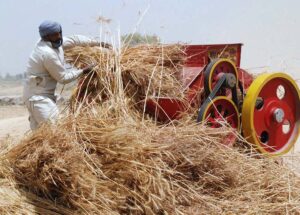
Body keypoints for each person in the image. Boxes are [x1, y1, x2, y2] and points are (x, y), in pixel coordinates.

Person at [23, 20, 105, 130]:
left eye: (59, 33)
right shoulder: (47, 53)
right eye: (54, 35)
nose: (58, 37)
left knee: (40, 133)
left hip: (41, 96)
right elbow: (63, 78)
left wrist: (96, 43)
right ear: (46, 36)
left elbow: (75, 40)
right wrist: (84, 71)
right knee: (57, 130)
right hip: (38, 98)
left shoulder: (56, 43)